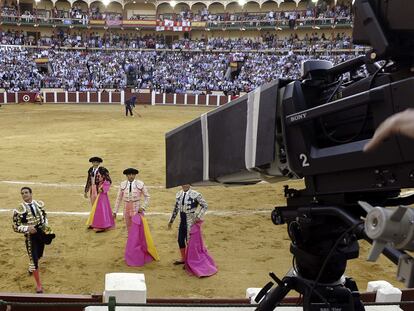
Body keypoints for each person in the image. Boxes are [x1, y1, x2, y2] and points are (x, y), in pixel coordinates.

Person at [13, 187, 55, 293]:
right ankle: (39, 285)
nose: (24, 195)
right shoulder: (19, 209)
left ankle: (31, 266)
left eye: (26, 192)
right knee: (34, 259)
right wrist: (27, 228)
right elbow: (15, 226)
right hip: (30, 237)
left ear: (31, 194)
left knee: (39, 254)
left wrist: (47, 228)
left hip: (41, 232)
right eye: (22, 193)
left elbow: (44, 216)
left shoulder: (39, 204)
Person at [167, 184, 208, 265]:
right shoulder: (178, 194)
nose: (185, 185)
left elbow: (205, 205)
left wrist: (199, 216)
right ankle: (183, 258)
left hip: (191, 221)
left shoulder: (195, 194)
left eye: (187, 183)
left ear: (189, 184)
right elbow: (176, 209)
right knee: (180, 240)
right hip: (182, 221)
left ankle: (190, 261)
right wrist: (171, 221)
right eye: (183, 183)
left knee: (189, 241)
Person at [86, 167, 115, 232]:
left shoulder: (106, 181)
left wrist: (101, 189)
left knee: (101, 210)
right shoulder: (101, 180)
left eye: (99, 174)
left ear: (103, 175)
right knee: (96, 210)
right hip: (100, 197)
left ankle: (102, 226)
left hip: (102, 198)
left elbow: (106, 188)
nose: (98, 175)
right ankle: (94, 223)